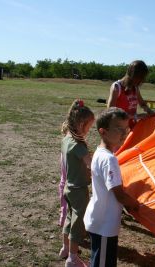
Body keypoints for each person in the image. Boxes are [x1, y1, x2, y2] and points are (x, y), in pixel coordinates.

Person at [83, 107, 139, 267]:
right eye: (118, 129)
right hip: (104, 225)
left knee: (100, 260)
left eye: (126, 129)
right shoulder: (109, 160)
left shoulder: (100, 152)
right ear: (103, 131)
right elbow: (119, 194)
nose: (124, 133)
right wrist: (136, 205)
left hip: (99, 219)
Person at [59, 99, 95, 267]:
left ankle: (65, 248)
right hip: (79, 190)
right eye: (89, 127)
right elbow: (91, 165)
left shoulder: (67, 138)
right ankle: (72, 258)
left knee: (69, 218)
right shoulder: (79, 145)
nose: (89, 130)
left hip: (68, 188)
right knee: (78, 224)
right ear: (81, 125)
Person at [107, 60, 154, 128]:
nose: (141, 81)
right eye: (140, 78)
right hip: (118, 128)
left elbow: (142, 104)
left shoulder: (135, 87)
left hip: (131, 127)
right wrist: (136, 116)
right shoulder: (117, 87)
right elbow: (110, 111)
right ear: (132, 75)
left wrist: (150, 112)